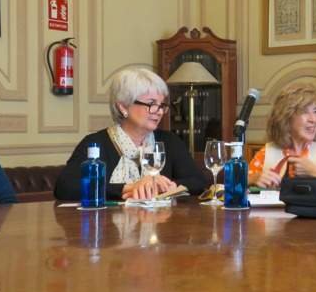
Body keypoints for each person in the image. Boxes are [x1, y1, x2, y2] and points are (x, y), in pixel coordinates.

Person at [55, 68, 206, 201]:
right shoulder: (96, 143)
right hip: (109, 229)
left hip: (162, 228)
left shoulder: (169, 141)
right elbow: (65, 187)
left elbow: (198, 181)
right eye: (151, 104)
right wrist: (128, 188)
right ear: (123, 107)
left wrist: (167, 185)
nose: (159, 111)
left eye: (162, 105)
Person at [249, 85, 316, 188]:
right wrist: (254, 178)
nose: (313, 119)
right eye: (304, 112)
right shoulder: (267, 151)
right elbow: (237, 184)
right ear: (286, 117)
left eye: (315, 111)